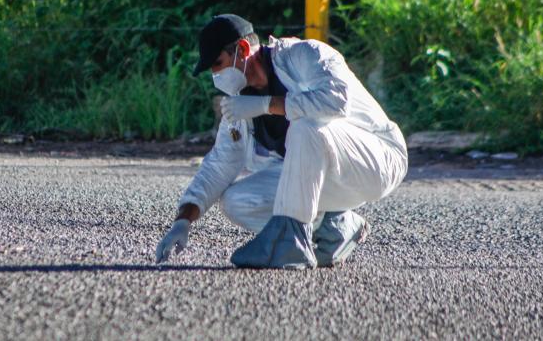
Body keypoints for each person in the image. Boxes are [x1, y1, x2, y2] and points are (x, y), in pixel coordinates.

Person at [154, 14, 408, 269]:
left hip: (379, 159)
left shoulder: (305, 55)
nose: (216, 75)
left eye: (217, 64)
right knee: (237, 201)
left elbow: (336, 101)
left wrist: (267, 105)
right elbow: (219, 164)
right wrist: (183, 220)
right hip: (332, 181)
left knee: (306, 124)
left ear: (242, 49)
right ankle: (334, 226)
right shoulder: (240, 104)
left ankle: (293, 244)